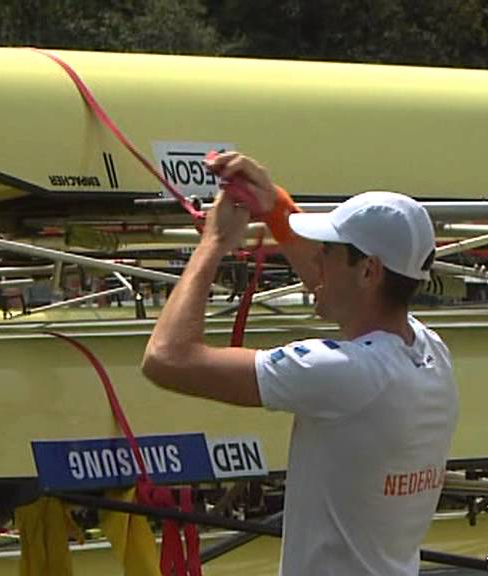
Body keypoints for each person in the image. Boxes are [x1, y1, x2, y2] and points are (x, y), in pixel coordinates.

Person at [141, 152, 458, 575]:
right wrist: (274, 205)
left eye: (327, 251)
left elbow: (167, 359)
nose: (318, 262)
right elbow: (330, 284)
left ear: (369, 271)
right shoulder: (428, 351)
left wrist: (213, 244)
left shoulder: (344, 373)